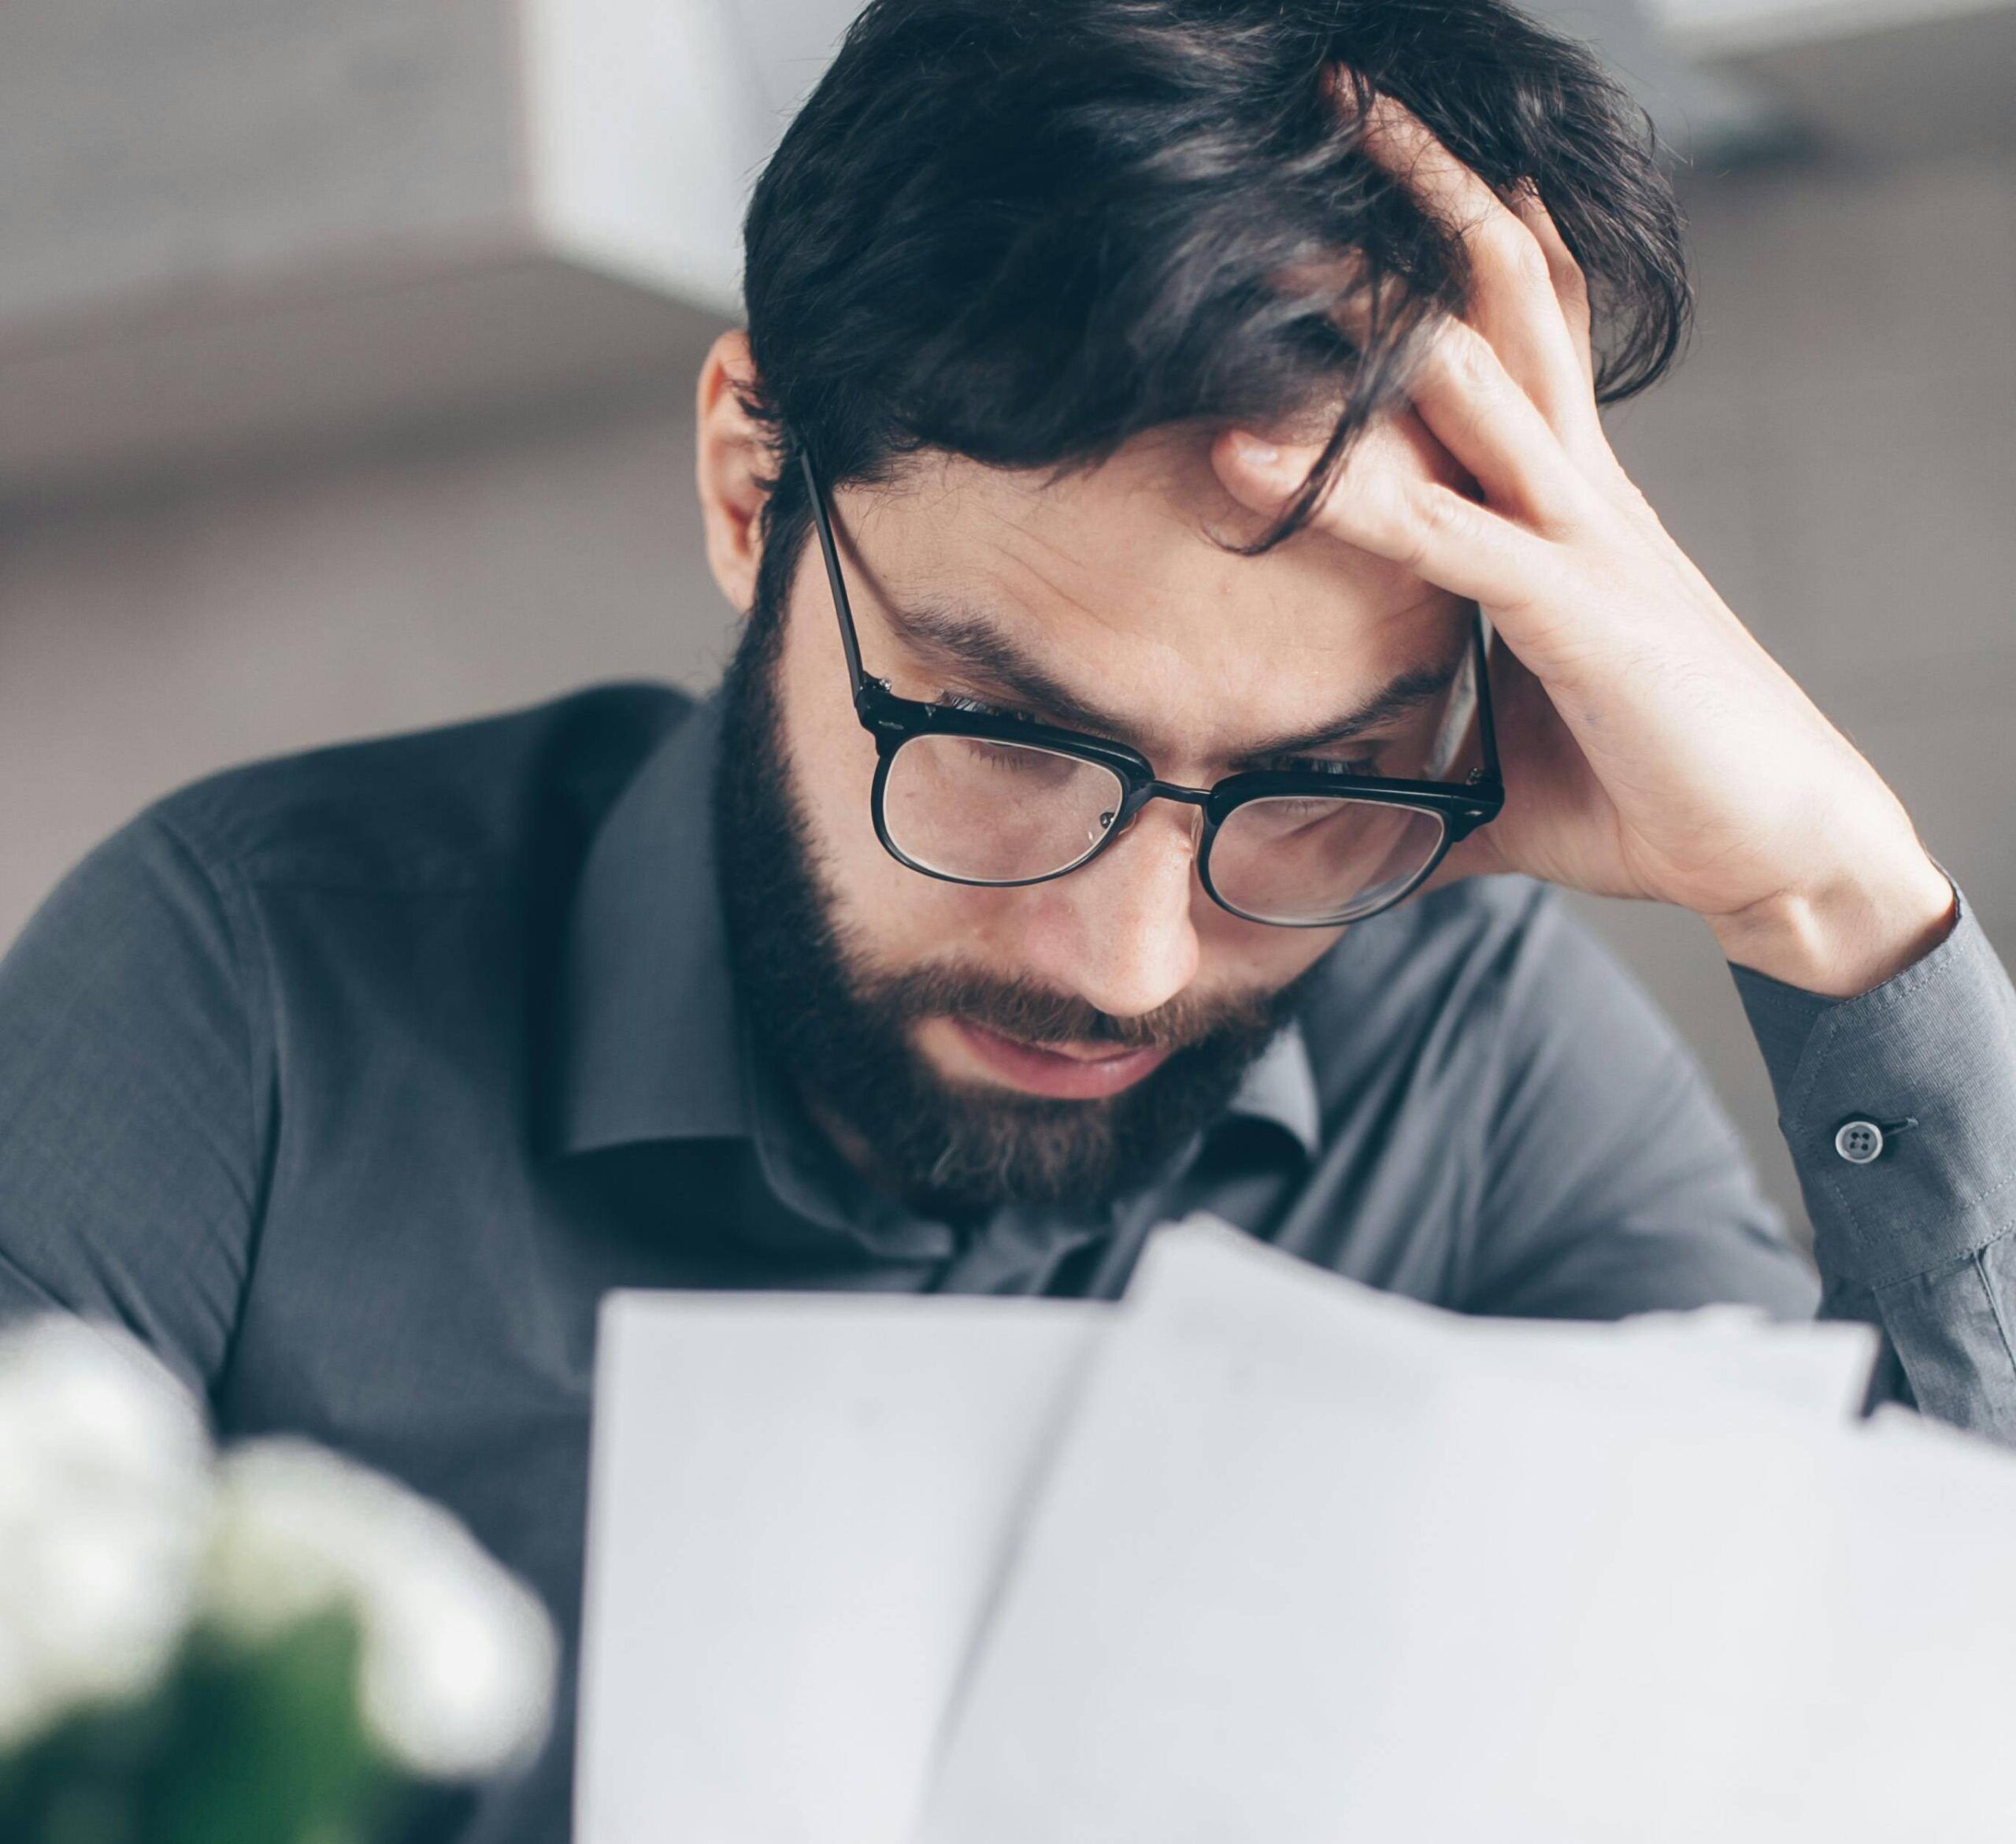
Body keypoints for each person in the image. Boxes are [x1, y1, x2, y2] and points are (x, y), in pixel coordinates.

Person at [3, 0, 2013, 1837]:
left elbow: (1901, 1719)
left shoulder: (1460, 1053)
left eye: (1313, 783)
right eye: (1002, 736)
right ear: (747, 482)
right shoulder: (238, 995)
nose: (1128, 962)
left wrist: (1825, 897)